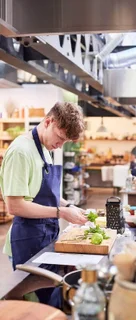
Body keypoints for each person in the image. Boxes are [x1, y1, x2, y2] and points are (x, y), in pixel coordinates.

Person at [0, 102, 87, 306]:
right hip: (27, 241)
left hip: (46, 236)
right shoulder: (21, 151)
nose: (60, 145)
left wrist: (70, 206)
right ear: (48, 121)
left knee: (51, 298)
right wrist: (61, 212)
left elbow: (45, 193)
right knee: (33, 306)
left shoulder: (45, 149)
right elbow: (15, 206)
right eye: (60, 138)